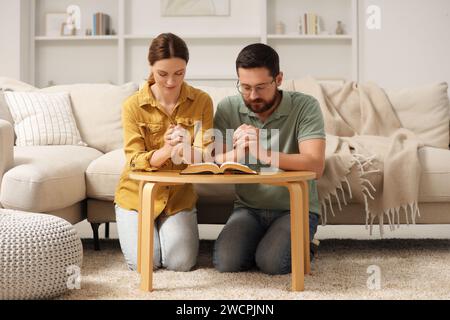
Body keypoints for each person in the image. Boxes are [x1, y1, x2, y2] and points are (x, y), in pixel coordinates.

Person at [212, 43, 326, 275]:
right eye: (245, 87)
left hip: (295, 207)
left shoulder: (305, 106)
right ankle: (271, 242)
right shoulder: (227, 107)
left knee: (273, 264)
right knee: (227, 263)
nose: (253, 96)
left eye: (261, 87)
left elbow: (316, 165)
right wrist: (237, 153)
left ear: (279, 79)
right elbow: (215, 159)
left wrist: (263, 153)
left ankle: (303, 244)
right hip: (248, 208)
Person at [114, 33, 214, 272]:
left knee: (180, 263)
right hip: (137, 197)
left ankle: (165, 230)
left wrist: (187, 148)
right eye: (162, 74)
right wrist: (168, 149)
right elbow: (135, 161)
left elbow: (207, 157)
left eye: (179, 73)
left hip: (178, 198)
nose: (171, 81)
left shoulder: (202, 101)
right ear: (151, 67)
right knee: (146, 263)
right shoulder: (132, 106)